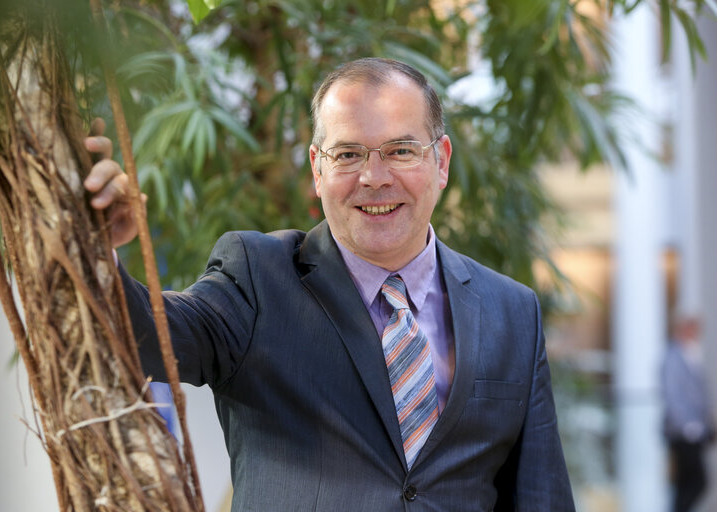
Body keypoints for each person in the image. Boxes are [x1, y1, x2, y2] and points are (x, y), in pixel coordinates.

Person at [84, 57, 575, 511]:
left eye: (401, 150)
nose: (373, 177)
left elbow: (540, 496)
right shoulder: (257, 277)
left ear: (441, 161)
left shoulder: (512, 310)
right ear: (317, 168)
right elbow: (145, 338)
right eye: (348, 154)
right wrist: (96, 248)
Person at [662, 314, 714, 512]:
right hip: (682, 432)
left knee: (685, 483)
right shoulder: (673, 357)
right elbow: (673, 395)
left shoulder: (691, 355)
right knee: (697, 481)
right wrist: (688, 425)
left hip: (695, 430)